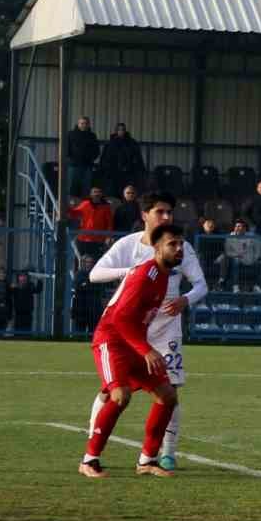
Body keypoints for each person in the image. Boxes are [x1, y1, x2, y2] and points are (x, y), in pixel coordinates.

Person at [88, 191, 209, 473]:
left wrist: (185, 299)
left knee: (170, 391)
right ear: (144, 215)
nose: (166, 217)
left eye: (169, 212)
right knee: (113, 392)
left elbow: (201, 285)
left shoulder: (181, 248)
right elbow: (95, 274)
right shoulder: (129, 247)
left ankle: (163, 455)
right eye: (160, 212)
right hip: (126, 330)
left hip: (164, 329)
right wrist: (131, 271)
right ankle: (91, 447)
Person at [79, 224, 187, 479]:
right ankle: (89, 460)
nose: (179, 248)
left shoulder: (162, 276)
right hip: (111, 341)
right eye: (173, 244)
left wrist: (143, 348)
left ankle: (147, 460)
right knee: (120, 395)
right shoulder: (144, 275)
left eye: (181, 244)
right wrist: (147, 351)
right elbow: (120, 320)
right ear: (157, 247)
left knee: (167, 395)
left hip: (132, 343)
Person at [96, 122, 146, 196]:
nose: (121, 131)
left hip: (128, 173)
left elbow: (138, 157)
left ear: (125, 131)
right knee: (113, 193)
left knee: (127, 192)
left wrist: (140, 170)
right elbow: (104, 158)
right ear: (116, 131)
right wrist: (102, 170)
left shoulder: (132, 143)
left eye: (123, 130)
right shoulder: (110, 143)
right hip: (113, 173)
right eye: (119, 130)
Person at [68, 186, 114, 258]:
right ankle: (79, 269)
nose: (97, 194)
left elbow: (109, 223)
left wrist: (108, 236)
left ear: (101, 194)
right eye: (94, 192)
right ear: (91, 194)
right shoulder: (85, 204)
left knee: (96, 261)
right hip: (83, 238)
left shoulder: (106, 207)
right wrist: (68, 207)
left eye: (99, 192)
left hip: (98, 239)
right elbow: (74, 214)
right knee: (80, 260)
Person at [223, 219, 261, 292]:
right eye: (236, 226)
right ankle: (235, 286)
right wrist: (237, 255)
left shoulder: (252, 236)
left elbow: (258, 249)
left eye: (240, 226)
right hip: (238, 259)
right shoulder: (230, 237)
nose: (237, 228)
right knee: (235, 261)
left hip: (251, 259)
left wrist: (255, 259)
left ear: (244, 228)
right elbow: (227, 252)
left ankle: (257, 286)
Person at [65, 115, 100, 200]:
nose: (84, 125)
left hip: (87, 166)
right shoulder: (71, 134)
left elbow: (97, 150)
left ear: (89, 125)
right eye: (82, 123)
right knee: (71, 188)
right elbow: (65, 149)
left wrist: (91, 158)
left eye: (86, 123)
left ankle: (85, 208)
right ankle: (70, 208)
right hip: (74, 166)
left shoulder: (92, 136)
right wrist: (71, 159)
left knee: (86, 189)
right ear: (78, 124)